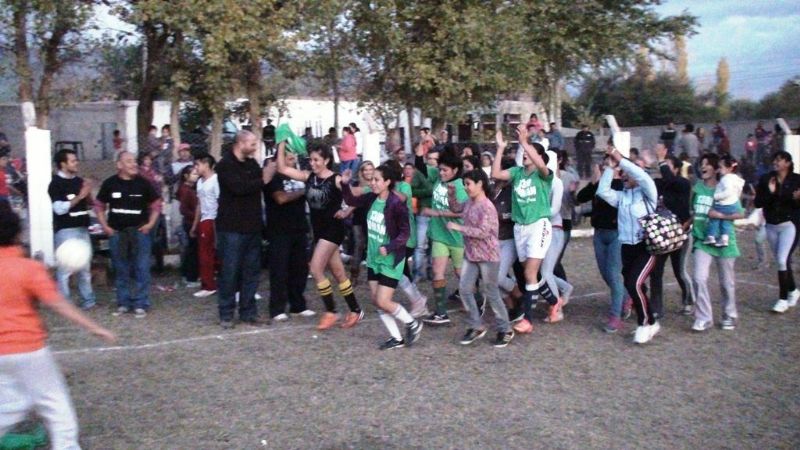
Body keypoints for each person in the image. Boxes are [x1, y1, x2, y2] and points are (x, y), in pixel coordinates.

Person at [0, 204, 116, 450]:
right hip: (28, 349)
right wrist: (94, 327)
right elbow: (58, 304)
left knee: (10, 405)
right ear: (17, 233)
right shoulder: (28, 268)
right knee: (55, 405)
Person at [277, 141, 364, 330]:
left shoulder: (336, 179)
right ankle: (356, 310)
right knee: (339, 273)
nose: (313, 163)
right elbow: (282, 167)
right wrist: (281, 143)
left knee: (315, 268)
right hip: (319, 231)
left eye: (317, 160)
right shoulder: (308, 177)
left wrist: (347, 210)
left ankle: (331, 311)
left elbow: (357, 196)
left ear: (326, 160)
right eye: (311, 159)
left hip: (333, 230)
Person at [341, 165, 423, 349]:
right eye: (372, 180)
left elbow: (405, 232)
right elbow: (350, 199)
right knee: (376, 301)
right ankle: (397, 338)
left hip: (391, 259)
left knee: (383, 300)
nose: (373, 183)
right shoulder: (371, 198)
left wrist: (391, 246)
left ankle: (412, 323)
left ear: (387, 182)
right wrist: (345, 184)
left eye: (377, 179)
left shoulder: (395, 204)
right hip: (373, 258)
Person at [492, 127, 557, 334]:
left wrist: (525, 141)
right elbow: (495, 173)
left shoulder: (544, 175)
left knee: (529, 272)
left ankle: (527, 320)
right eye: (524, 153)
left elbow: (540, 163)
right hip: (520, 228)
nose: (525, 155)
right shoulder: (516, 173)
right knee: (531, 273)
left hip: (539, 225)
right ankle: (555, 301)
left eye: (530, 153)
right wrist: (501, 148)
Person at [597, 145, 660, 344]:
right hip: (627, 248)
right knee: (633, 286)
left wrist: (622, 160)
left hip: (646, 247)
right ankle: (652, 321)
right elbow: (603, 191)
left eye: (628, 172)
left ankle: (645, 323)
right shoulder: (622, 197)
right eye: (623, 172)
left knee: (634, 283)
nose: (625, 175)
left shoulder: (649, 192)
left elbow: (641, 177)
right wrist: (610, 167)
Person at [446, 169, 514, 347]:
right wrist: (451, 195)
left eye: (468, 184)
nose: (466, 188)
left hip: (488, 256)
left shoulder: (487, 207)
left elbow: (484, 232)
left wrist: (459, 228)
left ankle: (505, 329)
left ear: (480, 184)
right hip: (472, 254)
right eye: (464, 184)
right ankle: (476, 325)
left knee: (491, 292)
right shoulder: (469, 202)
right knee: (465, 289)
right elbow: (455, 208)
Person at [215, 131, 271, 329]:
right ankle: (226, 313)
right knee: (229, 272)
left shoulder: (252, 164)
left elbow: (257, 185)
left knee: (251, 272)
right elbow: (239, 188)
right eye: (253, 143)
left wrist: (264, 178)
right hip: (231, 228)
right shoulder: (224, 165)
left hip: (252, 227)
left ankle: (248, 312)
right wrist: (264, 179)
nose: (256, 147)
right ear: (240, 143)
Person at [96, 151, 160, 318]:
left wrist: (151, 224)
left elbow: (156, 203)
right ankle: (123, 302)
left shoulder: (144, 183)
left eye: (134, 161)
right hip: (117, 233)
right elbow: (99, 205)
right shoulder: (110, 183)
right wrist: (105, 226)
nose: (134, 164)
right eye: (129, 161)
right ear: (119, 165)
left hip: (140, 233)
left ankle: (141, 303)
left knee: (142, 268)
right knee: (121, 268)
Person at [690, 153, 746, 331]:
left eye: (707, 164)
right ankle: (704, 317)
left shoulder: (726, 187)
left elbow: (740, 213)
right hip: (703, 240)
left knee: (726, 282)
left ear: (716, 168)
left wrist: (719, 215)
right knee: (699, 278)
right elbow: (692, 211)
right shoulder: (697, 188)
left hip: (724, 241)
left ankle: (729, 314)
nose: (702, 167)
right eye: (701, 164)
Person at [414, 143, 467, 325]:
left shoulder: (460, 186)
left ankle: (476, 300)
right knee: (438, 272)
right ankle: (441, 312)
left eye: (445, 170)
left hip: (457, 237)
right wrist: (419, 156)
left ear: (455, 170)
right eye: (440, 169)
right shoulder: (438, 178)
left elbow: (462, 212)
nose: (441, 173)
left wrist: (437, 213)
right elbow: (421, 169)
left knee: (462, 274)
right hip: (439, 235)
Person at [576, 158, 627, 333]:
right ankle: (626, 297)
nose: (605, 168)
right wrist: (592, 183)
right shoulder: (598, 186)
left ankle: (615, 316)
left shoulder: (622, 186)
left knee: (613, 274)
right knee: (606, 275)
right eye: (604, 165)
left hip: (617, 234)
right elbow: (580, 198)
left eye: (610, 165)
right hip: (599, 233)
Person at [263, 152, 315, 321]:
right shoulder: (274, 178)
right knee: (279, 270)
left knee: (299, 269)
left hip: (299, 228)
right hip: (279, 230)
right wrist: (302, 192)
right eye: (290, 158)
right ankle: (277, 308)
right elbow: (281, 198)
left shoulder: (299, 177)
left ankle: (298, 305)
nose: (294, 161)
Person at [48, 149, 97, 310]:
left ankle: (88, 300)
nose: (76, 163)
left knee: (85, 267)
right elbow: (59, 208)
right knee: (65, 269)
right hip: (66, 230)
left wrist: (89, 192)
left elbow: (90, 203)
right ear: (63, 164)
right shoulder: (56, 184)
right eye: (73, 161)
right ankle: (65, 303)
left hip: (83, 228)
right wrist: (81, 196)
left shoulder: (79, 181)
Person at [650, 144, 694, 319]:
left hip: (680, 234)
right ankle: (656, 308)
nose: (663, 168)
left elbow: (671, 180)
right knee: (656, 272)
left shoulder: (682, 183)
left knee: (680, 271)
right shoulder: (659, 184)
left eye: (668, 165)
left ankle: (689, 300)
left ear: (676, 169)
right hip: (662, 236)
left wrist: (661, 159)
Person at [755, 151, 800, 313]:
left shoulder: (796, 179)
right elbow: (758, 203)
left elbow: (796, 204)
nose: (776, 162)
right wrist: (771, 192)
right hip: (771, 225)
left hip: (790, 225)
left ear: (787, 163)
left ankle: (782, 299)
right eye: (775, 159)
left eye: (779, 160)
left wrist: (798, 198)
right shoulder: (767, 179)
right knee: (783, 261)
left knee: (782, 259)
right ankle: (793, 290)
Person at [190, 153, 219, 298]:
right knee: (204, 254)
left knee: (213, 253)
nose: (196, 168)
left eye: (198, 164)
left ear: (206, 164)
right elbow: (199, 205)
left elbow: (220, 201)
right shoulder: (200, 182)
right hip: (204, 220)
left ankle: (213, 284)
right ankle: (208, 284)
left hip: (214, 219)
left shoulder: (216, 180)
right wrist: (195, 224)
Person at [704, 155, 744, 247]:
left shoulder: (726, 179)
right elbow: (738, 191)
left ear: (729, 168)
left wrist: (716, 196)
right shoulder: (736, 178)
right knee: (726, 222)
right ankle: (724, 238)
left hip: (723, 204)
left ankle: (711, 236)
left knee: (714, 218)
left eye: (721, 167)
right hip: (733, 205)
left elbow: (728, 191)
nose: (719, 169)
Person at [175, 165, 200, 288]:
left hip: (191, 221)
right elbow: (183, 209)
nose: (197, 176)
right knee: (192, 251)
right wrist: (196, 215)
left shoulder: (189, 189)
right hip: (190, 223)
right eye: (194, 174)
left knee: (191, 250)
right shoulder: (186, 190)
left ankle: (188, 275)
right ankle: (191, 277)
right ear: (186, 176)